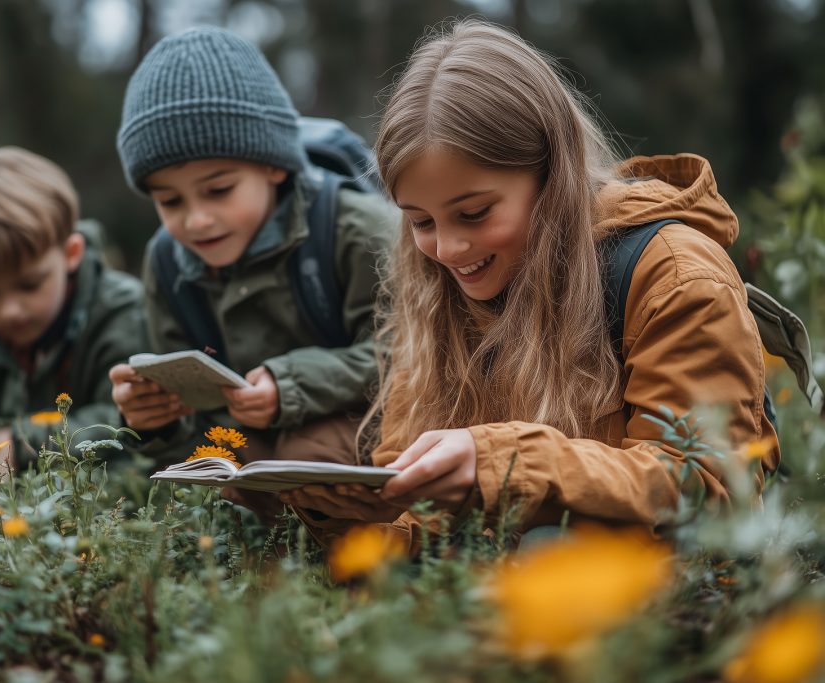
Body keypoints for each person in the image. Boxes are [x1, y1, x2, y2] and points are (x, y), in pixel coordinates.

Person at [280, 20, 781, 547]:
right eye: (421, 222)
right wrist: (357, 520)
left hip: (659, 593)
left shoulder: (672, 275)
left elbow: (706, 486)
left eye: (473, 213)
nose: (447, 250)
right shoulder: (437, 290)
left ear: (552, 175)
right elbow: (426, 533)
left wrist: (507, 464)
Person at [108, 27, 397, 481]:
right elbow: (187, 423)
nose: (197, 220)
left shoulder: (357, 229)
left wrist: (291, 384)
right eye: (170, 201)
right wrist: (152, 419)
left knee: (305, 465)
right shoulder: (166, 260)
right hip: (237, 439)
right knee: (205, 478)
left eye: (218, 190)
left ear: (273, 164)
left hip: (363, 425)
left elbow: (405, 355)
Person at [0, 146, 148, 467]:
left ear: (71, 253)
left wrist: (19, 445)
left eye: (29, 285)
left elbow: (126, 421)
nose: (10, 310)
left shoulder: (120, 308)